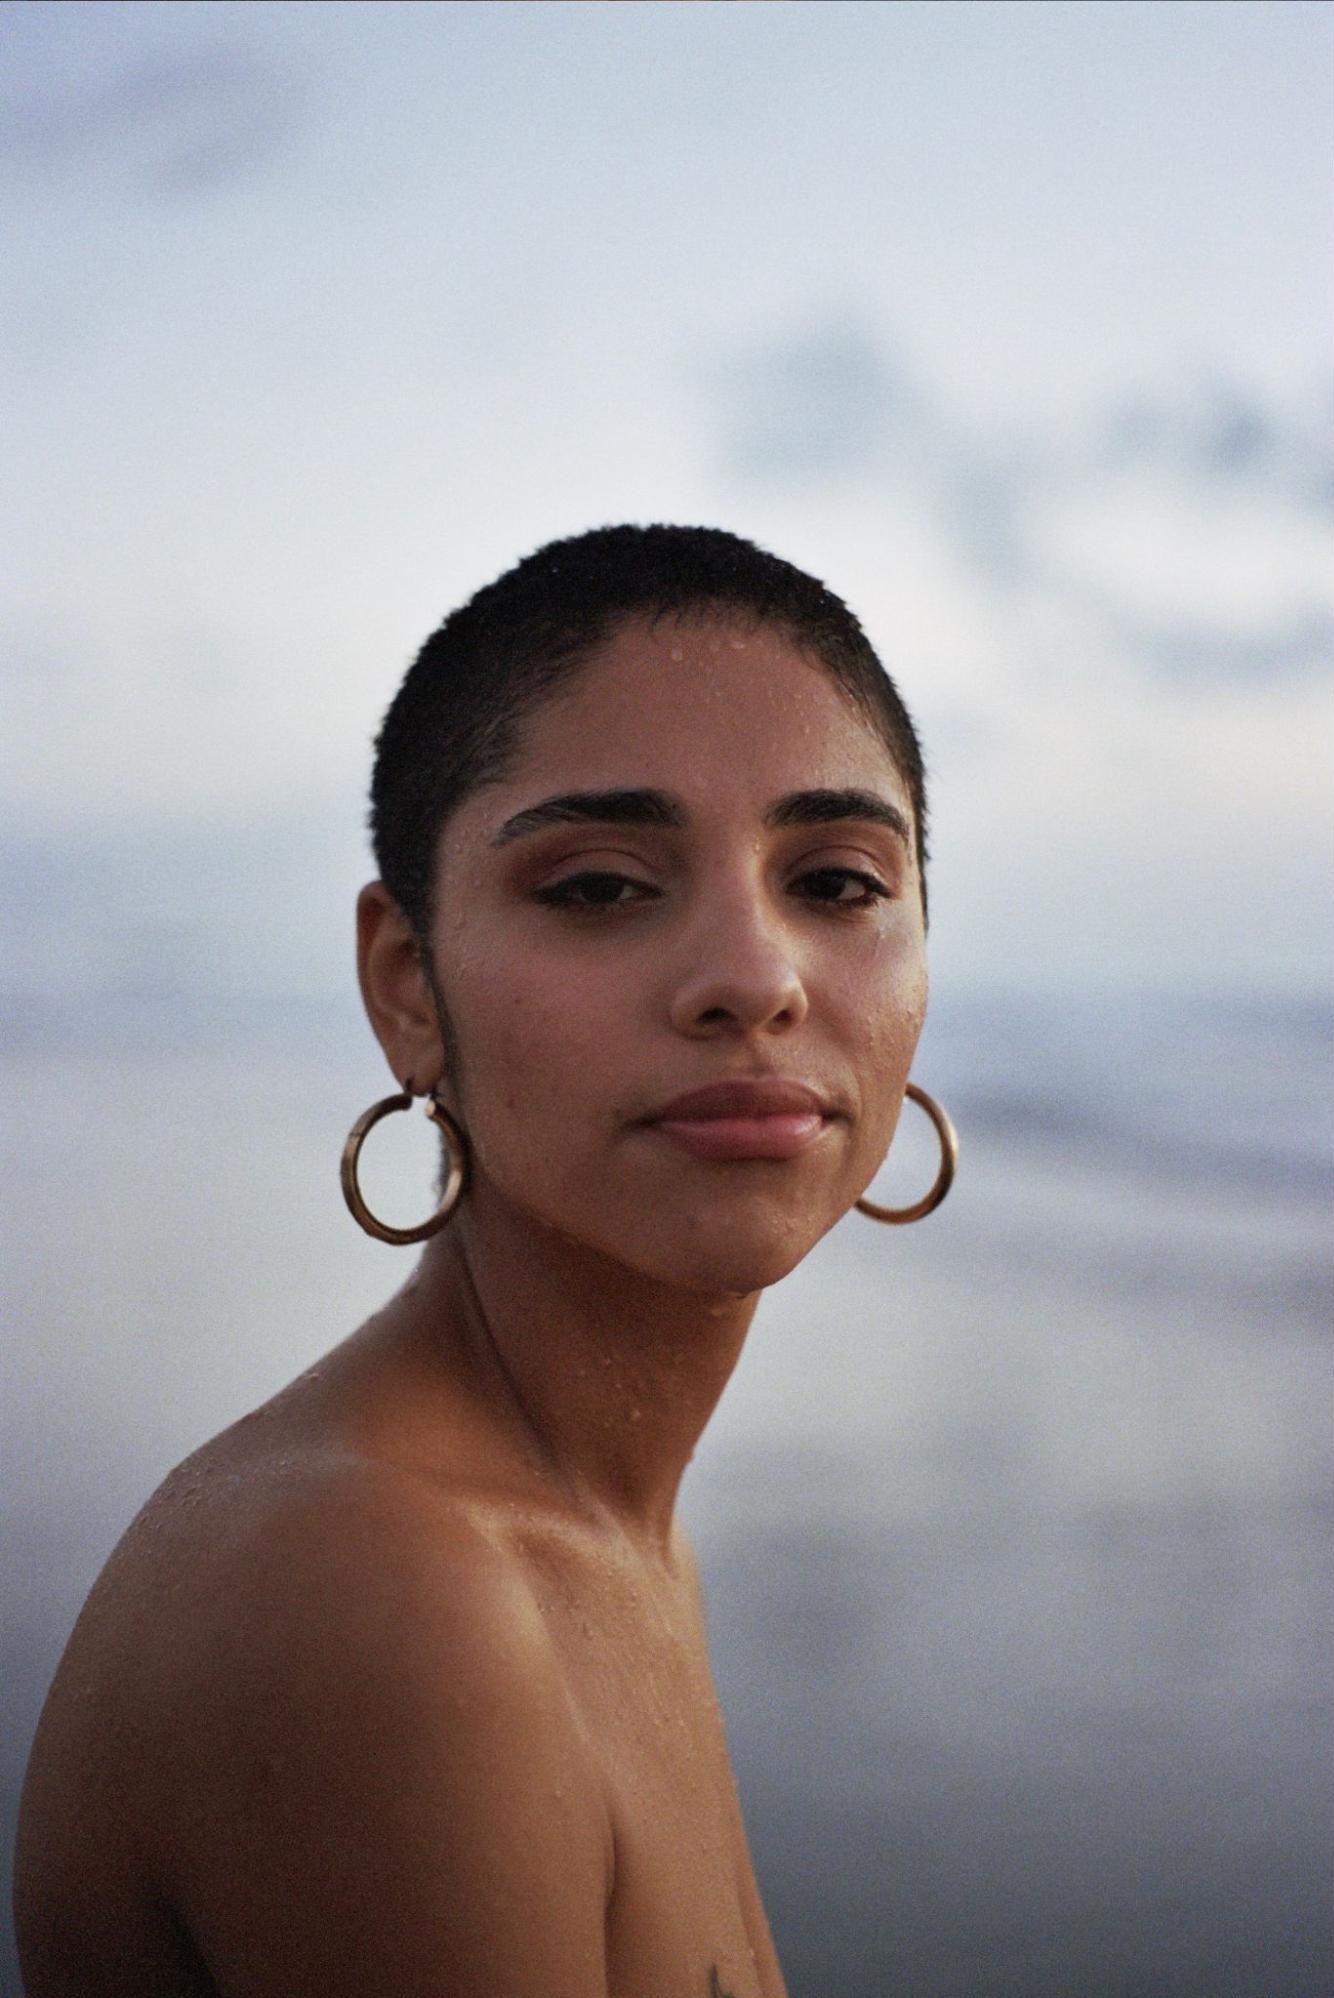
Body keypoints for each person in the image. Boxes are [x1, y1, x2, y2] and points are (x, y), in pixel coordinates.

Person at [15, 524, 955, 1998]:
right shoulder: (375, 1587)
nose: (755, 978)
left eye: (835, 880)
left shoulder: (582, 1521)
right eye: (596, 886)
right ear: (409, 984)